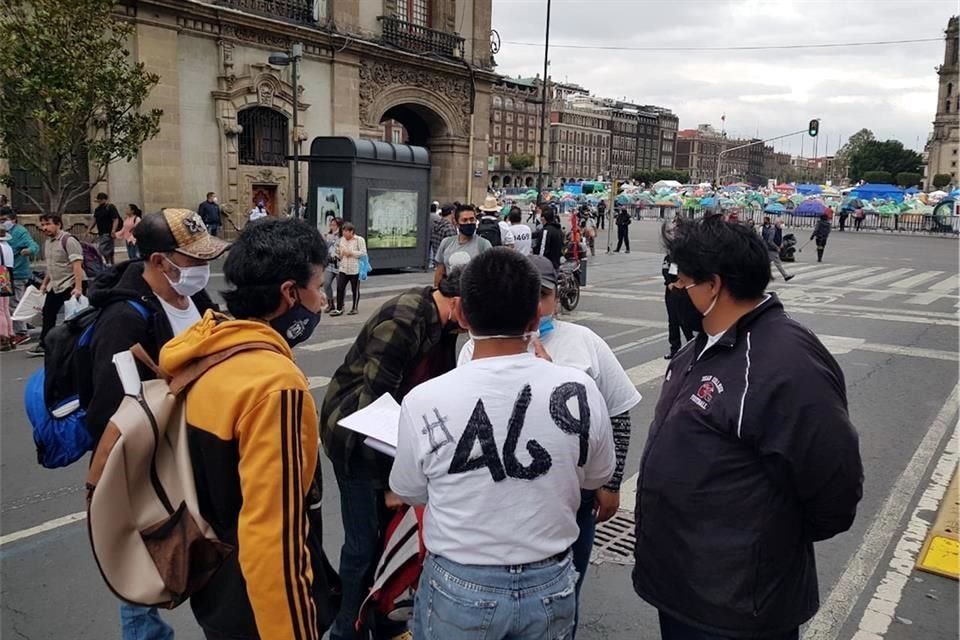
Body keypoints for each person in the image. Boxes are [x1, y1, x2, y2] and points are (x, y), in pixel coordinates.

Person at [633, 216, 863, 640]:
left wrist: (766, 543)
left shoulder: (783, 361)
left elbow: (833, 483)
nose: (674, 290)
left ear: (714, 285)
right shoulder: (703, 344)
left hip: (738, 605)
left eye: (681, 280)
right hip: (686, 589)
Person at [391, 248, 615, 640]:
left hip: (460, 581)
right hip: (551, 581)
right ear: (534, 318)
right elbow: (597, 475)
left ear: (460, 314)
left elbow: (410, 490)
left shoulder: (424, 400)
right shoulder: (580, 391)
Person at [159, 217, 336, 640]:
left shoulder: (206, 349)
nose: (324, 301)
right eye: (320, 287)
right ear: (290, 293)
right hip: (260, 609)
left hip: (215, 587)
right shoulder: (275, 386)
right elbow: (273, 536)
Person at [457, 254, 640, 637]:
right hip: (501, 499)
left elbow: (619, 412)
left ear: (557, 297)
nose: (538, 305)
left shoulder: (584, 342)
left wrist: (611, 484)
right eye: (531, 295)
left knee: (562, 593)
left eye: (545, 295)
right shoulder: (477, 349)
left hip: (574, 498)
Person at [84, 208, 226, 640]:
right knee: (143, 559)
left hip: (191, 450)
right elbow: (110, 409)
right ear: (160, 261)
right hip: (145, 461)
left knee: (197, 547)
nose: (203, 269)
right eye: (194, 260)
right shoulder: (125, 317)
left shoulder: (196, 300)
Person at [320, 269, 465, 640]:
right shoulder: (406, 318)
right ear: (458, 304)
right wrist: (391, 483)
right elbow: (375, 407)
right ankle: (345, 629)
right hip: (356, 440)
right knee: (363, 545)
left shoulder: (444, 325)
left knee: (390, 542)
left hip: (395, 443)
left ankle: (383, 620)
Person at [27, 213, 85, 357]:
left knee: (72, 317)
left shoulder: (69, 240)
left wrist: (78, 287)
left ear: (58, 224)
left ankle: (74, 345)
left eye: (48, 224)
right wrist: (45, 284)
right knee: (48, 313)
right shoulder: (48, 242)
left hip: (70, 284)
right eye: (43, 224)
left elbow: (77, 264)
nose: (45, 227)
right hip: (55, 284)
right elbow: (51, 265)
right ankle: (45, 344)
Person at [1, 207, 40, 345]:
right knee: (7, 306)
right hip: (6, 275)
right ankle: (10, 332)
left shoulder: (20, 232)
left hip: (17, 273)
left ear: (13, 219)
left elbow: (34, 246)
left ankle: (21, 332)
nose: (2, 223)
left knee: (14, 304)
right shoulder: (4, 233)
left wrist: (28, 251)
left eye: (4, 220)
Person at [434, 204, 492, 286]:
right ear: (457, 223)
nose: (469, 223)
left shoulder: (483, 244)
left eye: (472, 219)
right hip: (451, 293)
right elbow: (440, 271)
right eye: (464, 220)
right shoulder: (446, 243)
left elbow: (490, 274)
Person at [662, 253, 695, 360]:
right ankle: (674, 349)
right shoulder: (669, 257)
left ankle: (692, 344)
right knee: (673, 320)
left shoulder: (687, 255)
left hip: (683, 290)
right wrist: (669, 283)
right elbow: (665, 270)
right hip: (671, 291)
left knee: (684, 319)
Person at [331, 222, 366, 316]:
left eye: (346, 232)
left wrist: (351, 253)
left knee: (355, 289)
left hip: (355, 268)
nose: (344, 235)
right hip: (343, 268)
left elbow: (363, 253)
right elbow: (340, 252)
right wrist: (339, 253)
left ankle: (354, 308)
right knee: (340, 288)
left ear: (352, 232)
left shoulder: (359, 240)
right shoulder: (342, 240)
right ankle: (339, 308)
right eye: (343, 232)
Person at [93, 192, 122, 265]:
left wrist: (113, 230)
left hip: (108, 232)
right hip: (101, 232)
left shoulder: (110, 207)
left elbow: (115, 219)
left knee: (102, 248)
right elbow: (95, 220)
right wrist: (89, 229)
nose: (99, 202)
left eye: (100, 200)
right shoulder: (98, 209)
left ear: (104, 200)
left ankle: (109, 263)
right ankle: (110, 263)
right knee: (108, 249)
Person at [761, 217, 794, 281]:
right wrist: (777, 247)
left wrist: (781, 243)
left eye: (783, 222)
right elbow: (770, 241)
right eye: (781, 222)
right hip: (771, 249)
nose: (783, 224)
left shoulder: (779, 229)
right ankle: (786, 276)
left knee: (766, 263)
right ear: (777, 223)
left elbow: (780, 237)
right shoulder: (773, 230)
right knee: (778, 263)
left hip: (770, 249)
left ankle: (767, 275)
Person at [0, 227, 15, 352]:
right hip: (7, 277)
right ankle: (11, 335)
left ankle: (2, 337)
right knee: (5, 309)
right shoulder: (8, 247)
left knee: (0, 310)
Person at [323, 217, 343, 313]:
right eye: (331, 225)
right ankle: (330, 303)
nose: (332, 227)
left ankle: (340, 303)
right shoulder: (328, 235)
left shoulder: (342, 237)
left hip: (339, 263)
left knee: (340, 285)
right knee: (326, 283)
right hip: (330, 263)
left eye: (334, 225)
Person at [429, 203, 457, 268]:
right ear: (452, 212)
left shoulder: (437, 225)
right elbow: (453, 248)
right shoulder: (449, 228)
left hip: (438, 262)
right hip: (447, 264)